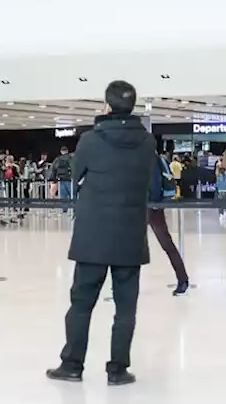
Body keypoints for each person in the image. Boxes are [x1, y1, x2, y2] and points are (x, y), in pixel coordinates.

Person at [46, 80, 151, 386]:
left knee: (81, 303)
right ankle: (118, 369)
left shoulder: (91, 140)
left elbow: (77, 176)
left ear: (106, 105)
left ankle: (72, 365)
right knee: (126, 307)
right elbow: (149, 183)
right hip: (130, 235)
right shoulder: (146, 142)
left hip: (93, 234)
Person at [148, 150, 190, 296]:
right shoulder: (151, 156)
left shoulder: (147, 157)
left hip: (148, 207)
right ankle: (182, 279)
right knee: (167, 244)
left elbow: (153, 182)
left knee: (166, 244)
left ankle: (183, 279)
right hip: (149, 206)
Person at [51, 145, 74, 212]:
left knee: (63, 196)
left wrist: (54, 179)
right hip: (69, 179)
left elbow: (53, 168)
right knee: (72, 194)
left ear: (61, 151)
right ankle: (74, 209)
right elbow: (73, 168)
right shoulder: (70, 158)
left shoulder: (58, 159)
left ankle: (64, 210)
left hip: (61, 179)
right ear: (67, 151)